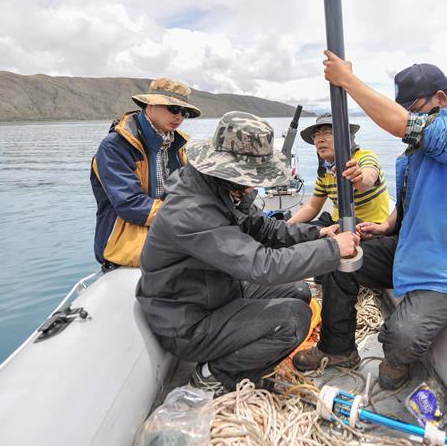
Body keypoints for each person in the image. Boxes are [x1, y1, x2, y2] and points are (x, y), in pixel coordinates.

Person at [293, 51, 447, 390]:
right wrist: (387, 226)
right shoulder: (422, 151)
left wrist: (348, 81)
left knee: (399, 340)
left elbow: (404, 126)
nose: (408, 117)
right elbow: (412, 197)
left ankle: (397, 358)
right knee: (337, 260)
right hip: (410, 248)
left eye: (413, 108)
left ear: (441, 99)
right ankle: (338, 349)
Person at [137, 111, 359, 393]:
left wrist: (317, 233)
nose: (255, 182)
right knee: (293, 320)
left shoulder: (219, 188)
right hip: (187, 318)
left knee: (299, 293)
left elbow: (264, 228)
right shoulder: (191, 211)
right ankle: (213, 375)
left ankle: (238, 354)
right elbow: (262, 266)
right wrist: (331, 249)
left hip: (217, 292)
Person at [90, 78, 200, 270]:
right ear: (149, 104)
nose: (179, 117)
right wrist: (189, 215)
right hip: (126, 250)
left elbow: (188, 193)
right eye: (173, 109)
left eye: (185, 112)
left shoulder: (177, 147)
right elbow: (131, 204)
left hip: (167, 240)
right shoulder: (115, 146)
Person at [287, 113, 391, 227]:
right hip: (336, 223)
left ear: (345, 137)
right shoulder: (324, 171)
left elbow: (368, 179)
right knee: (295, 235)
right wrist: (285, 227)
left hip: (369, 227)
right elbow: (312, 207)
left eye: (327, 133)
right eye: (315, 135)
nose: (319, 140)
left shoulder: (364, 157)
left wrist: (358, 177)